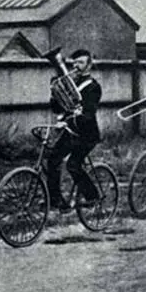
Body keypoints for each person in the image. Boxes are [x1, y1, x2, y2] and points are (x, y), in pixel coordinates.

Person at [46, 49, 102, 211]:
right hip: (70, 131)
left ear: (89, 65)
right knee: (52, 160)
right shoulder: (68, 83)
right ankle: (56, 200)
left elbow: (88, 114)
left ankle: (93, 197)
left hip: (87, 135)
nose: (76, 66)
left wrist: (71, 118)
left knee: (73, 165)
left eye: (81, 63)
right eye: (75, 62)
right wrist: (54, 93)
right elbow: (57, 110)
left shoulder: (93, 86)